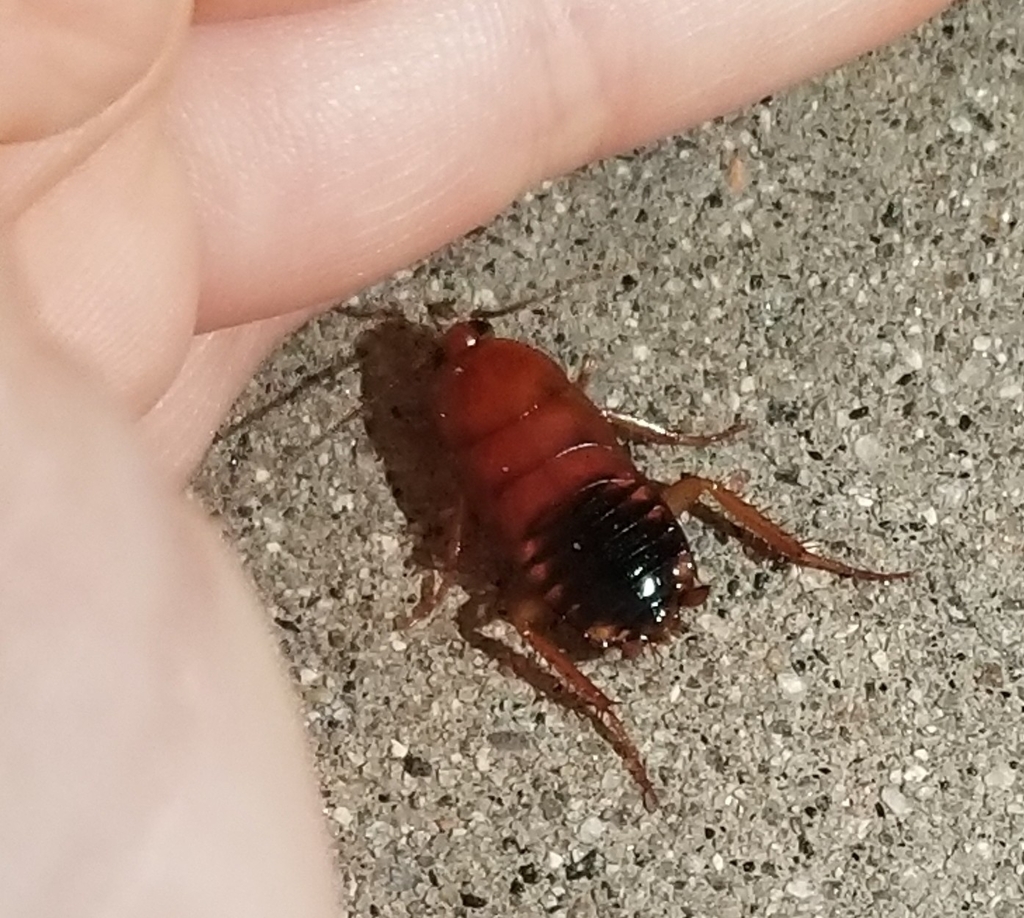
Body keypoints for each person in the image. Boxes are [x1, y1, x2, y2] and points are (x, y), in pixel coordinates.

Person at [0, 1, 950, 914]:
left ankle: (710, 634)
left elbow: (475, 508)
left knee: (514, 595)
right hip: (608, 515)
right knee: (670, 497)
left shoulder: (463, 420)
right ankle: (731, 617)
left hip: (571, 546)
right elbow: (593, 438)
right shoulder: (536, 389)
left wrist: (453, 559)